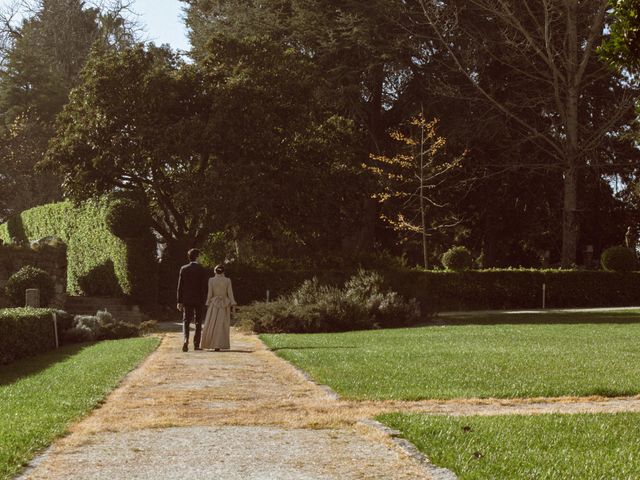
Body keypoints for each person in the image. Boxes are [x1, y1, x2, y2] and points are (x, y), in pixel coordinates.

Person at [176, 248, 208, 352]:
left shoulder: (183, 269)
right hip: (199, 299)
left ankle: (185, 340)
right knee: (198, 322)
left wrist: (179, 301)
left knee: (186, 320)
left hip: (187, 299)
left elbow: (180, 287)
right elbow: (204, 286)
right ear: (197, 256)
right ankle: (196, 344)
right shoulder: (201, 269)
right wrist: (205, 299)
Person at [200, 264, 237, 351]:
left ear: (214, 271)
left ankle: (212, 343)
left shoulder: (211, 280)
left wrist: (208, 302)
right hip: (225, 303)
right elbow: (230, 293)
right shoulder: (227, 280)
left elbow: (210, 293)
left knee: (212, 323)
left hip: (214, 304)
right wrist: (233, 303)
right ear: (223, 271)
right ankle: (219, 343)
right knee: (222, 324)